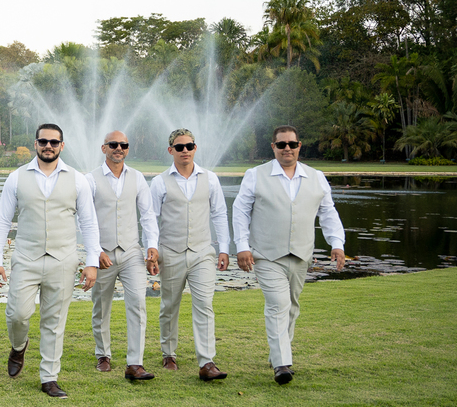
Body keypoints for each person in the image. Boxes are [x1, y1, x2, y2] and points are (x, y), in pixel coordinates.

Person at [0, 123, 100, 398]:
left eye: (54, 142)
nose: (48, 146)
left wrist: (92, 262)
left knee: (54, 321)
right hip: (26, 258)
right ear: (36, 144)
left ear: (62, 145)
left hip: (63, 259)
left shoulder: (78, 180)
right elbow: (2, 222)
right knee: (17, 314)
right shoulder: (16, 177)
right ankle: (18, 346)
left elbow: (89, 223)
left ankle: (49, 377)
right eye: (43, 141)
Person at [233, 125, 346, 385]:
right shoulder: (255, 175)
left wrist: (337, 243)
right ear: (273, 147)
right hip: (266, 254)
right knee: (278, 304)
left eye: (292, 144)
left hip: (301, 254)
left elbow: (328, 212)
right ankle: (282, 364)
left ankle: (278, 354)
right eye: (281, 144)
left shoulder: (316, 177)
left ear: (299, 146)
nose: (287, 149)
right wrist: (242, 246)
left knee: (292, 307)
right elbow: (240, 211)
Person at [149, 129, 230, 381]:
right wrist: (152, 250)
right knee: (169, 305)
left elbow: (219, 214)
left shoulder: (210, 179)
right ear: (170, 150)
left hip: (202, 252)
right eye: (179, 147)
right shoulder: (159, 182)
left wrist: (224, 248)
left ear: (195, 148)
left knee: (204, 304)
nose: (185, 150)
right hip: (170, 252)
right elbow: (151, 219)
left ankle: (207, 362)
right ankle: (168, 353)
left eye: (189, 146)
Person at [85, 130, 160, 381]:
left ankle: (135, 363)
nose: (119, 148)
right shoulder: (90, 179)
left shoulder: (137, 178)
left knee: (138, 302)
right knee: (101, 306)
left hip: (131, 252)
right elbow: (83, 218)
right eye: (114, 144)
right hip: (102, 254)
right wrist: (95, 251)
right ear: (104, 148)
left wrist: (152, 245)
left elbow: (147, 215)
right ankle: (103, 355)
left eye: (124, 145)